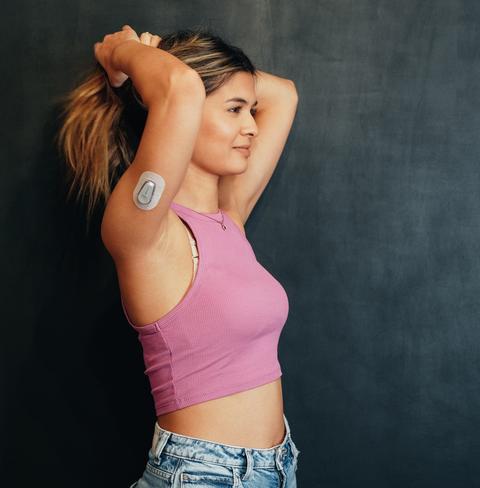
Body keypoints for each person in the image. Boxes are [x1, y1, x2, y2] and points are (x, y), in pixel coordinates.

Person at [57, 24, 300, 487]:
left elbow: (283, 95)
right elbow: (182, 88)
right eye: (234, 110)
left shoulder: (230, 216)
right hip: (202, 475)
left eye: (250, 110)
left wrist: (167, 58)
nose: (252, 125)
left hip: (276, 467)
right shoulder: (145, 231)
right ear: (184, 115)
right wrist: (124, 54)